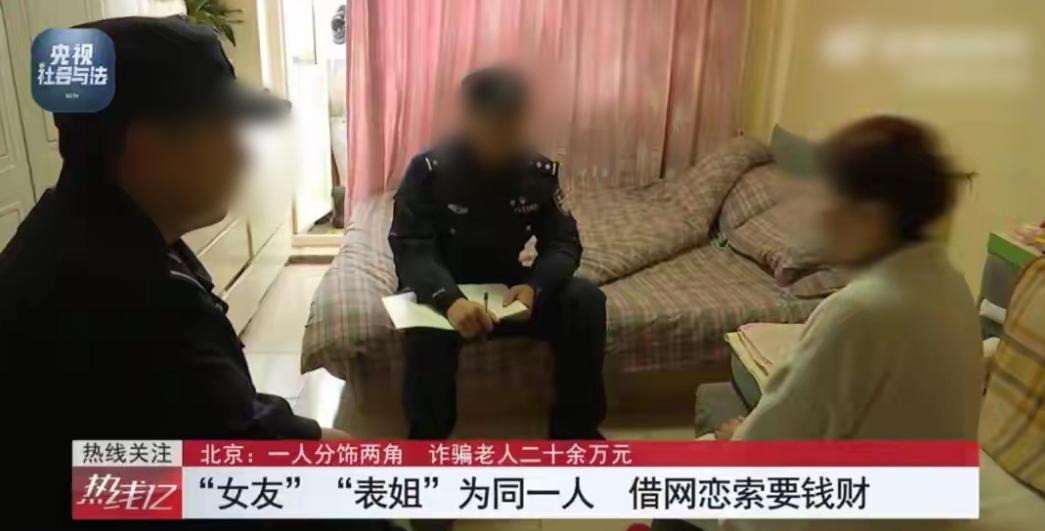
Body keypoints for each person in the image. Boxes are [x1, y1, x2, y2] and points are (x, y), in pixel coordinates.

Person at [0, 16, 391, 530]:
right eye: (224, 127)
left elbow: (211, 411)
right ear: (146, 140)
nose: (242, 152)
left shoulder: (68, 224)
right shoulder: (135, 301)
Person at [706, 116, 982, 531]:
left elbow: (768, 456)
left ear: (870, 217)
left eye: (827, 201)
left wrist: (735, 446)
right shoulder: (950, 284)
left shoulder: (859, 312)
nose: (817, 217)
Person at [389, 67, 607, 441]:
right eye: (494, 126)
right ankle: (428, 442)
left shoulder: (536, 174)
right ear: (469, 120)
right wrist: (450, 300)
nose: (504, 138)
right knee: (423, 331)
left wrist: (535, 288)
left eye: (512, 126)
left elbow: (563, 242)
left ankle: (575, 432)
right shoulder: (429, 172)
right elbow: (412, 248)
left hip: (505, 290)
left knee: (585, 300)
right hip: (442, 287)